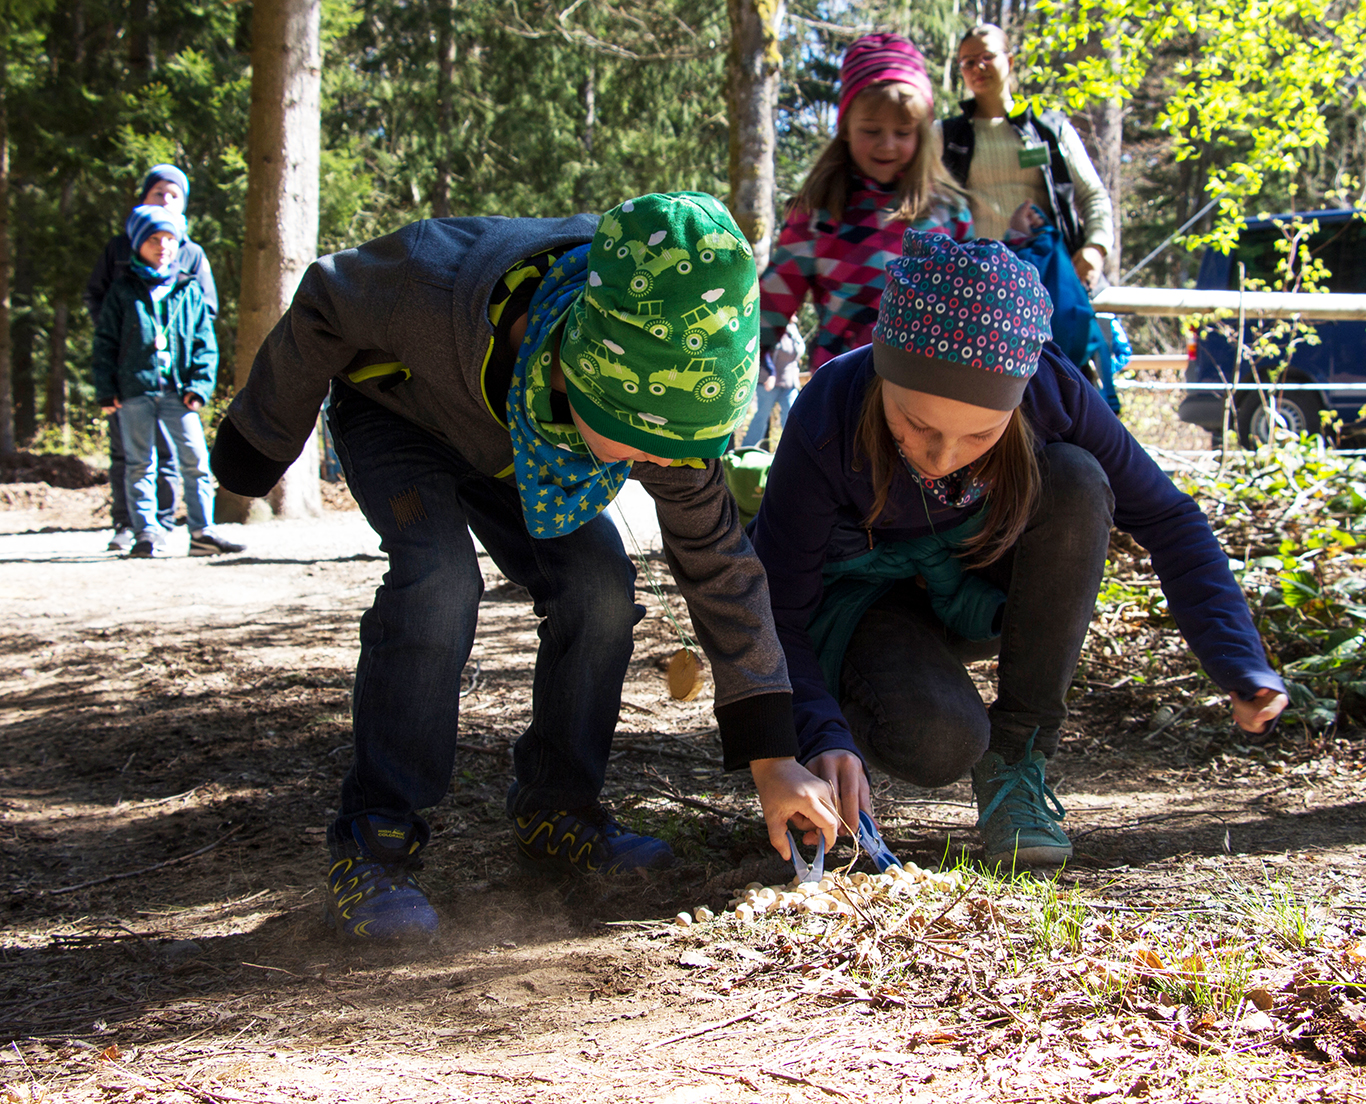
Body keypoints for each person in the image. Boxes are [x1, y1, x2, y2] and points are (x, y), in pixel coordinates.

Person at [210, 192, 843, 942]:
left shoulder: (670, 409)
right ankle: (373, 841)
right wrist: (259, 435)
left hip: (536, 451)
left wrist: (772, 758)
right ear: (580, 374)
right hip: (402, 410)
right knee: (439, 580)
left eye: (675, 451)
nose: (662, 468)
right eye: (641, 449)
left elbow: (722, 570)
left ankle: (557, 809)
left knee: (599, 585)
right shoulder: (431, 284)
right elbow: (326, 295)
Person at [749, 231, 1288, 867]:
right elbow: (778, 608)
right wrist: (816, 730)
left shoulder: (1051, 391)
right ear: (883, 372)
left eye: (979, 433)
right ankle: (859, 709)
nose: (942, 456)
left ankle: (1019, 757)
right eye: (916, 425)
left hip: (978, 590)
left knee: (1078, 478)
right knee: (941, 741)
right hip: (867, 607)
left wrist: (1239, 661)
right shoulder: (829, 412)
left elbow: (1169, 518)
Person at [758, 33, 972, 375]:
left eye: (902, 133)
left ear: (922, 133)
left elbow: (975, 302)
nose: (887, 145)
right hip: (845, 392)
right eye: (871, 131)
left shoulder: (947, 212)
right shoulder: (818, 215)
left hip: (930, 392)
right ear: (844, 128)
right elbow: (770, 305)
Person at [92, 206, 243, 560]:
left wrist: (200, 386)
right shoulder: (121, 290)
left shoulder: (188, 290)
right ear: (138, 244)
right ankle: (147, 533)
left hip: (180, 392)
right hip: (134, 392)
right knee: (139, 464)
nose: (163, 247)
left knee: (195, 459)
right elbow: (104, 344)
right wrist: (106, 390)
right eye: (154, 239)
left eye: (170, 240)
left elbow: (205, 342)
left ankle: (203, 531)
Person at [941, 24, 1114, 292]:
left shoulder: (1050, 128)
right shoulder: (946, 136)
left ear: (1009, 60)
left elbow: (1092, 195)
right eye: (968, 62)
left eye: (987, 57)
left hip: (1049, 280)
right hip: (973, 288)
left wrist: (1096, 246)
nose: (978, 67)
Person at [741, 320, 805, 449]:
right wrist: (771, 374)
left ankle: (796, 450)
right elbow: (764, 352)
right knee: (761, 417)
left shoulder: (793, 329)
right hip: (769, 382)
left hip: (789, 383)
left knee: (795, 415)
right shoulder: (773, 326)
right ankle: (746, 451)